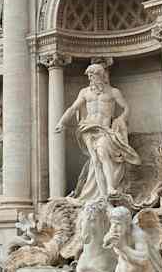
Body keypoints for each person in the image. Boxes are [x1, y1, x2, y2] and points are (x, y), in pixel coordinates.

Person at [56, 63, 141, 202]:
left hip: (104, 129)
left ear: (101, 75)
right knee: (95, 161)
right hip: (88, 128)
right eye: (89, 76)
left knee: (102, 153)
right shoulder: (85, 92)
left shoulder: (113, 92)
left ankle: (110, 187)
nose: (90, 79)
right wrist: (62, 122)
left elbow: (126, 108)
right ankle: (103, 195)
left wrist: (120, 119)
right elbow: (72, 108)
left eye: (93, 76)